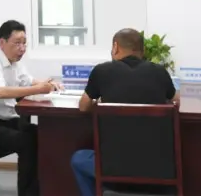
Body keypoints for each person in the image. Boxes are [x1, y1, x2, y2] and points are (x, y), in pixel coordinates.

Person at [70, 28, 178, 196]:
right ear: (142, 50)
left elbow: (83, 106)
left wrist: (98, 104)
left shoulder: (102, 71)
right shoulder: (159, 72)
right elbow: (176, 101)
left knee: (79, 159)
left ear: (115, 47)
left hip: (112, 168)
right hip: (158, 169)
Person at [0, 20, 62, 196]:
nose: (22, 48)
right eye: (17, 43)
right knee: (27, 142)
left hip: (9, 120)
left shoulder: (15, 62)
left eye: (24, 43)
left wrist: (50, 85)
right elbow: (1, 91)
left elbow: (29, 81)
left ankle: (45, 189)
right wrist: (39, 89)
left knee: (44, 135)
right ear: (2, 42)